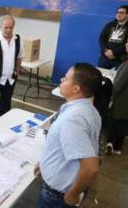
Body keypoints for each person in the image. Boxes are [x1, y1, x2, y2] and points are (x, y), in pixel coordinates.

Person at [35, 63, 112, 208]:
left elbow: (91, 167)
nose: (62, 79)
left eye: (66, 77)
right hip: (61, 180)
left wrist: (72, 194)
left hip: (57, 196)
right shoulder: (89, 109)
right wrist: (45, 164)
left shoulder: (73, 119)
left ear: (76, 89)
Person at [98, 5, 128, 69]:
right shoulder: (110, 24)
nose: (119, 14)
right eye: (117, 12)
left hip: (119, 59)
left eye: (122, 13)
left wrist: (113, 52)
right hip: (105, 57)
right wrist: (105, 50)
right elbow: (101, 38)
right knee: (100, 77)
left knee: (117, 78)